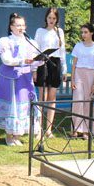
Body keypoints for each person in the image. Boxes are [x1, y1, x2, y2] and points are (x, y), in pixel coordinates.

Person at [0, 13, 42, 146]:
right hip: (10, 79)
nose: (21, 27)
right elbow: (7, 60)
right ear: (11, 27)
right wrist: (23, 60)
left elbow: (34, 60)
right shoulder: (5, 41)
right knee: (12, 106)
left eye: (23, 25)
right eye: (18, 25)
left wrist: (40, 61)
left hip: (25, 78)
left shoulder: (31, 42)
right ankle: (9, 136)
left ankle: (17, 135)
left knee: (24, 106)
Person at [33, 8, 66, 138]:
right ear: (46, 18)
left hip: (55, 63)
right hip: (42, 63)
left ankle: (48, 129)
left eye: (54, 18)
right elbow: (35, 50)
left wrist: (64, 69)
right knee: (42, 96)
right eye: (49, 18)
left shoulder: (60, 32)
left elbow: (62, 51)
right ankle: (38, 129)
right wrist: (34, 69)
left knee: (52, 97)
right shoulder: (40, 31)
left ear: (57, 19)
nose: (51, 20)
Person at [70, 24, 94, 139]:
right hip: (79, 73)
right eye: (82, 32)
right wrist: (72, 79)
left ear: (91, 33)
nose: (83, 34)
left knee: (87, 102)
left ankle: (86, 130)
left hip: (91, 74)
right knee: (77, 100)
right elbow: (74, 65)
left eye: (85, 32)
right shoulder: (78, 46)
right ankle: (76, 128)